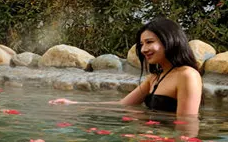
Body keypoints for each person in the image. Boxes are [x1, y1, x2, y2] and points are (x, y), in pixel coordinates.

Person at [49, 18, 203, 116]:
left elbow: (187, 123)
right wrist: (74, 104)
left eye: (149, 42)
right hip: (153, 138)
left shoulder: (187, 75)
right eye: (142, 44)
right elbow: (123, 104)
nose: (143, 49)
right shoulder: (155, 77)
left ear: (170, 40)